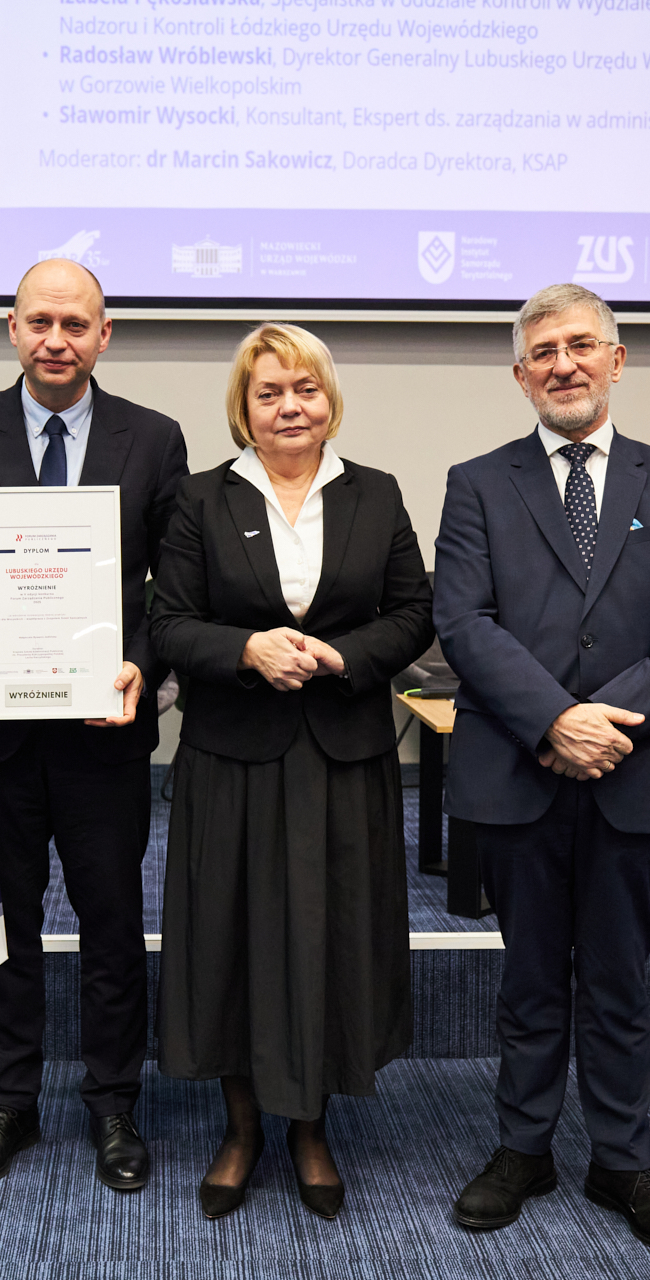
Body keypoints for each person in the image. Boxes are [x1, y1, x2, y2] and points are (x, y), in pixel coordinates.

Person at [433, 284, 650, 1258]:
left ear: (616, 359)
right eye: (543, 353)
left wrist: (609, 724)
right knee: (528, 978)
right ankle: (523, 1149)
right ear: (520, 376)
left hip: (632, 772)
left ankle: (621, 1161)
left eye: (580, 345)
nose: (563, 364)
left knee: (616, 978)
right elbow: (464, 622)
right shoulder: (478, 483)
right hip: (519, 768)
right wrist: (555, 719)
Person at [0, 258, 188, 1193]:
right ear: (13, 329)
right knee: (0, 924)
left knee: (112, 927)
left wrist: (144, 662)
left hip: (105, 734)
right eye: (39, 322)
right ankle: (10, 1101)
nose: (56, 340)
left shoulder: (154, 438)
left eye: (75, 324)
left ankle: (114, 1104)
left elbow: (177, 583)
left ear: (105, 335)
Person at [151, 323, 432, 1221]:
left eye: (305, 389)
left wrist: (343, 656)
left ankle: (311, 1128)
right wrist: (246, 648)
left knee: (329, 936)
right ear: (244, 408)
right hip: (232, 756)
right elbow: (168, 623)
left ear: (329, 400)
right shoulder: (200, 498)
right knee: (228, 938)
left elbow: (414, 612)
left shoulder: (376, 493)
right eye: (269, 392)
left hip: (342, 754)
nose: (289, 407)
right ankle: (240, 1130)